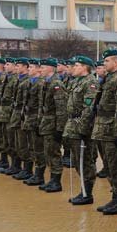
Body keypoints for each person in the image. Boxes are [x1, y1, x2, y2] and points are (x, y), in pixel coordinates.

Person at [92, 49, 117, 215]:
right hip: (103, 127)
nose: (103, 64)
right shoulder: (108, 78)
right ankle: (115, 197)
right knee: (109, 165)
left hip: (111, 128)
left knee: (116, 166)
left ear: (115, 62)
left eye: (107, 61)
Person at [62, 55, 100, 205]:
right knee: (78, 160)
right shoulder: (77, 82)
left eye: (77, 65)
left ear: (85, 67)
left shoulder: (90, 82)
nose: (74, 68)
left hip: (81, 126)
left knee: (84, 161)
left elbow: (88, 108)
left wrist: (82, 128)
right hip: (73, 124)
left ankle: (87, 193)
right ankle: (83, 190)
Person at [37, 58, 67, 193]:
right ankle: (52, 180)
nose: (40, 69)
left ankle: (56, 182)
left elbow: (61, 108)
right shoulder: (47, 82)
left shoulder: (56, 84)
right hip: (47, 123)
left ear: (50, 68)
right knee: (48, 151)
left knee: (54, 152)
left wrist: (59, 129)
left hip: (53, 124)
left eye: (43, 67)